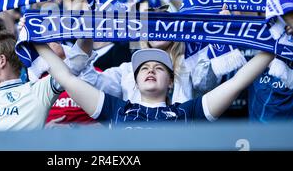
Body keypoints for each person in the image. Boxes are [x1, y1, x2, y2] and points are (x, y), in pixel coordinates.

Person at [35, 43, 274, 127]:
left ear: (170, 81)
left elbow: (238, 81)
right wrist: (35, 42)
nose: (150, 70)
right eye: (144, 69)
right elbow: (67, 78)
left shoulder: (188, 112)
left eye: (159, 68)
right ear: (135, 81)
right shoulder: (116, 109)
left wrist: (274, 45)